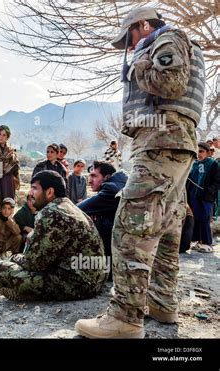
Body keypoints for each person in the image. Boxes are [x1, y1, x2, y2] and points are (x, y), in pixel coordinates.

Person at [76, 6, 206, 338]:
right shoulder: (171, 41)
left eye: (130, 38)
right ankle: (162, 303)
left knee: (130, 226)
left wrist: (140, 62)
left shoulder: (167, 38)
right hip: (173, 141)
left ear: (144, 25)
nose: (130, 47)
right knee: (167, 227)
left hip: (163, 139)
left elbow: (170, 82)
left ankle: (125, 316)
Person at [0, 170, 106, 301]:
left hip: (77, 284)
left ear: (50, 192)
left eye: (34, 188)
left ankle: (21, 293)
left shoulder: (50, 212)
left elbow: (35, 263)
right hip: (93, 280)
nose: (30, 193)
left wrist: (15, 257)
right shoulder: (69, 207)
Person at [78, 161, 128, 260]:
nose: (90, 181)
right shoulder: (118, 184)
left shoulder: (111, 189)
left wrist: (94, 212)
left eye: (94, 176)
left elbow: (78, 209)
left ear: (106, 177)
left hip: (118, 248)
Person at [186, 142, 220, 253]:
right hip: (193, 196)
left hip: (206, 197)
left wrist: (209, 191)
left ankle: (207, 243)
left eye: (201, 151)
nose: (198, 154)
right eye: (197, 151)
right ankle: (197, 241)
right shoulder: (193, 164)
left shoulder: (213, 164)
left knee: (204, 218)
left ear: (208, 152)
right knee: (194, 218)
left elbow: (217, 181)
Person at [0, 125, 20, 200]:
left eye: (4, 135)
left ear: (7, 137)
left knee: (7, 203)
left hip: (8, 182)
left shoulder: (11, 151)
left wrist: (14, 179)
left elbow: (15, 167)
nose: (1, 137)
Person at [0, 197, 22, 262]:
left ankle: (12, 257)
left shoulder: (11, 220)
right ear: (1, 209)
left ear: (11, 211)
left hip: (5, 245)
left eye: (9, 209)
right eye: (4, 208)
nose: (6, 211)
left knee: (18, 237)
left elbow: (17, 232)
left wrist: (9, 220)